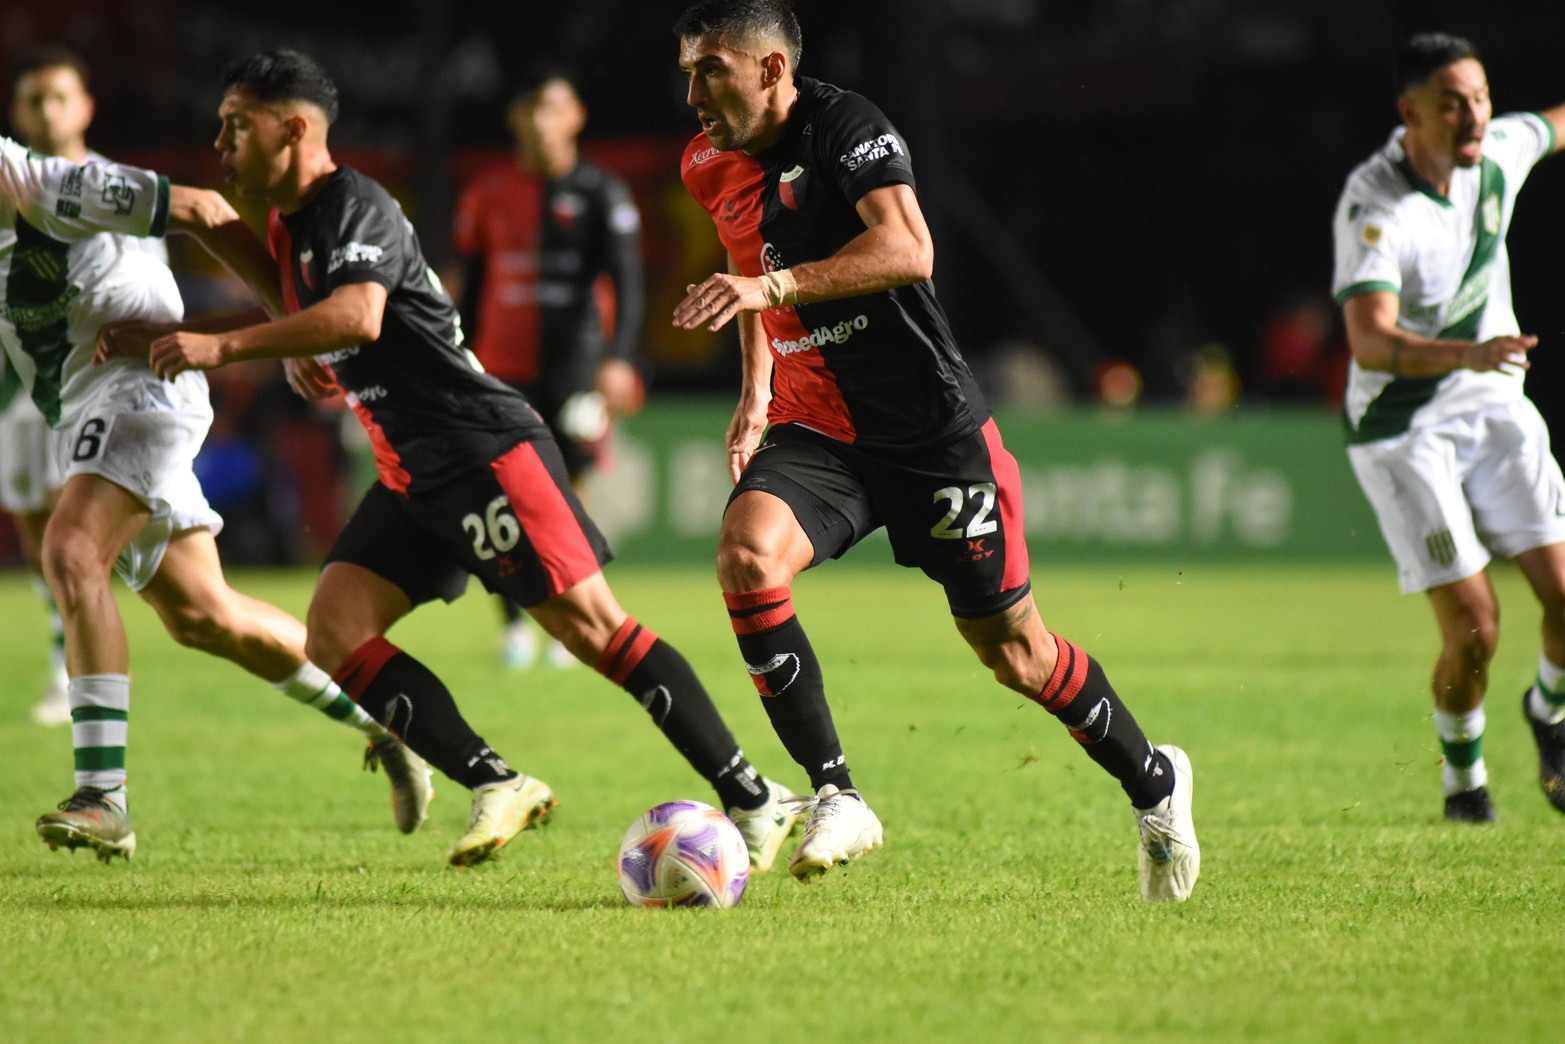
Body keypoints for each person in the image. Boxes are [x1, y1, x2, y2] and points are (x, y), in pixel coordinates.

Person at [137, 48, 801, 871]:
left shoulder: (355, 205)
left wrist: (226, 346)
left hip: (480, 450)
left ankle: (752, 796)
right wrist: (221, 327)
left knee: (594, 630)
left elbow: (358, 315)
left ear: (294, 128)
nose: (221, 142)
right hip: (412, 472)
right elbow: (288, 292)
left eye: (237, 126)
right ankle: (496, 781)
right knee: (335, 630)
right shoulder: (294, 223)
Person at [670, 0, 1199, 900]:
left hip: (929, 433)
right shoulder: (706, 163)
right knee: (746, 557)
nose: (692, 93)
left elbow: (908, 249)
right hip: (818, 428)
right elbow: (742, 265)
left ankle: (1155, 785)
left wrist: (776, 282)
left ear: (769, 69)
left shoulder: (846, 127)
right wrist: (756, 389)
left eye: (709, 69)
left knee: (1014, 655)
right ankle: (837, 794)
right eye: (685, 70)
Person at [0, 98, 433, 868]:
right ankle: (384, 721)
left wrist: (282, 322)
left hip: (142, 382)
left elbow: (201, 206)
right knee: (206, 618)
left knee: (72, 552)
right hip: (84, 409)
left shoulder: (45, 186)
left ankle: (104, 799)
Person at [1332, 32, 1565, 822]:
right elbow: (1369, 340)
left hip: (1490, 397)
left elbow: (1555, 124)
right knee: (1475, 625)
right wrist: (1469, 351)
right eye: (1450, 105)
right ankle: (1463, 783)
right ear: (1410, 115)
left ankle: (1549, 714)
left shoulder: (1497, 150)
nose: (1471, 117)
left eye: (1479, 99)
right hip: (1400, 426)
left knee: (1563, 595)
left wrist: (1478, 363)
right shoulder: (1374, 204)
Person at [451, 65, 647, 671]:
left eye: (554, 108)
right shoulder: (487, 193)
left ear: (576, 117)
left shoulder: (600, 193)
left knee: (566, 493)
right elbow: (470, 285)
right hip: (500, 369)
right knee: (501, 494)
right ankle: (515, 625)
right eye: (532, 109)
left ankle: (575, 616)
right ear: (516, 119)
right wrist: (455, 357)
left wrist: (618, 361)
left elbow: (630, 282)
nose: (541, 122)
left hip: (575, 371)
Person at [4, 47, 167, 726]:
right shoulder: (11, 183)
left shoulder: (110, 188)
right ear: (17, 112)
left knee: (72, 535)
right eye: (34, 100)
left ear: (86, 106)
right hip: (22, 384)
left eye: (59, 97)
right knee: (37, 527)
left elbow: (151, 282)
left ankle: (75, 666)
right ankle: (61, 654)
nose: (48, 111)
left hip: (97, 384)